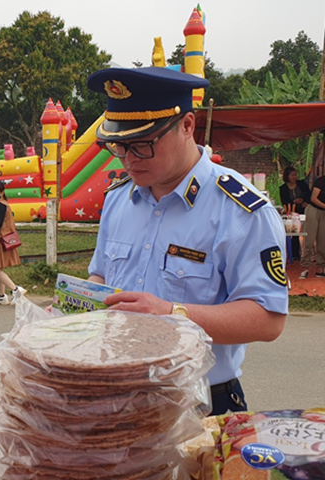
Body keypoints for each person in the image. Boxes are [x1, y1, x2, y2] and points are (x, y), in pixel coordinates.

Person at [86, 67, 287, 416]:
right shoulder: (118, 199)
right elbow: (101, 278)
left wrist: (171, 313)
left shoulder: (240, 209)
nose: (130, 159)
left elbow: (268, 318)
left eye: (143, 144)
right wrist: (75, 307)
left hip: (198, 403)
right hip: (116, 398)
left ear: (187, 126)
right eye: (119, 146)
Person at [0, 181, 26, 305]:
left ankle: (16, 290)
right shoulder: (2, 204)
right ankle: (2, 296)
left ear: (2, 193)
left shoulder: (1, 205)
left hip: (1, 239)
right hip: (1, 238)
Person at [280, 166, 310, 260]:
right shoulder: (283, 188)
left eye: (296, 175)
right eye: (292, 175)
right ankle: (295, 254)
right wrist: (293, 202)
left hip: (303, 209)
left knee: (306, 231)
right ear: (287, 176)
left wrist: (305, 201)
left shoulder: (302, 184)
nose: (295, 177)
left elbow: (309, 194)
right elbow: (284, 201)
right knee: (294, 232)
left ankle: (307, 253)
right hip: (292, 211)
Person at [299, 174, 325, 279]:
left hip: (323, 212)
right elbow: (313, 198)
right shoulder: (321, 181)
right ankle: (305, 267)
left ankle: (320, 267)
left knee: (322, 241)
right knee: (309, 239)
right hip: (313, 210)